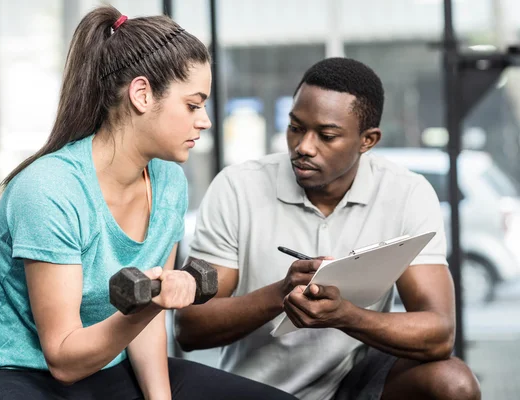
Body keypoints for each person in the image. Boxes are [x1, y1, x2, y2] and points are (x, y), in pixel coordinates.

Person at [0, 6, 297, 400]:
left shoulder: (168, 182)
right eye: (192, 104)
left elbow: (145, 323)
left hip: (106, 368)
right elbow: (63, 359)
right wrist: (153, 303)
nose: (205, 120)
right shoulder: (50, 189)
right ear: (142, 94)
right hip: (15, 376)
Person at [175, 57, 482, 400]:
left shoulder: (407, 193)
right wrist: (280, 294)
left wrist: (346, 315)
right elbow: (190, 327)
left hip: (355, 385)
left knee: (453, 383)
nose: (304, 146)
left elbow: (440, 333)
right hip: (258, 388)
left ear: (368, 140)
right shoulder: (237, 187)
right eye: (295, 127)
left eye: (327, 135)